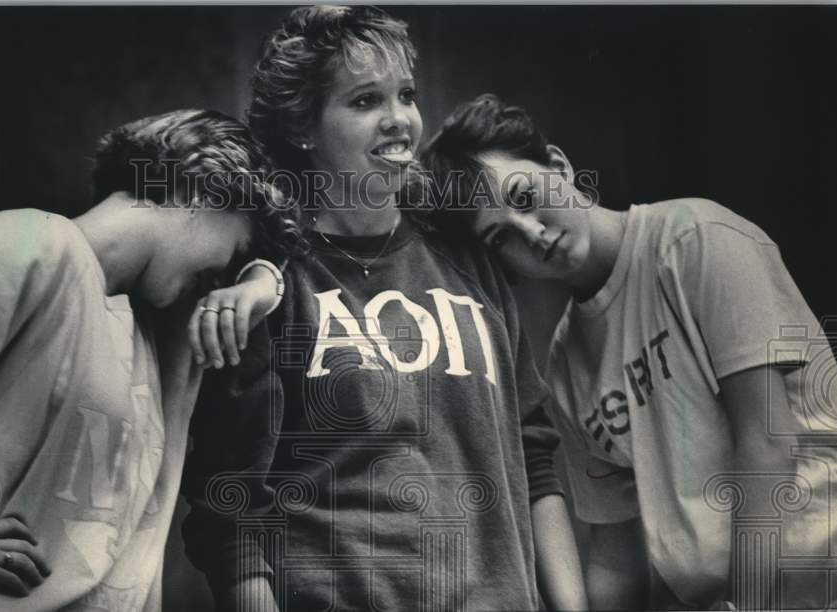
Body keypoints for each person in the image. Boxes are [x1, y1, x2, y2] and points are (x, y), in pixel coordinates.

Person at [182, 7, 586, 611]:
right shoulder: (269, 283)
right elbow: (233, 512)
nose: (399, 121)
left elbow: (535, 460)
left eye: (406, 95)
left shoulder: (470, 259)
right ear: (303, 127)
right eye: (365, 101)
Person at [0, 108, 304, 611]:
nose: (223, 277)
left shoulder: (158, 329)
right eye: (234, 251)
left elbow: (291, 272)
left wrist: (263, 278)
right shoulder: (39, 244)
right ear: (200, 190)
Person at [421, 93, 837, 610]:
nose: (530, 233)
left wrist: (746, 605)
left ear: (557, 164)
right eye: (500, 238)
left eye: (524, 196)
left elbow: (766, 445)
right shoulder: (567, 363)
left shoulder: (694, 239)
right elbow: (614, 552)